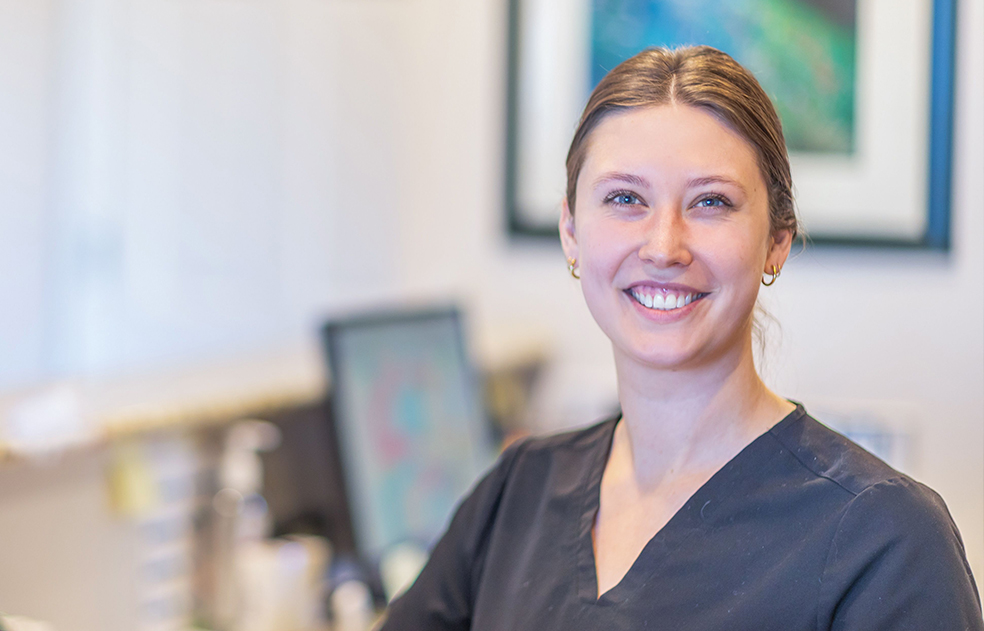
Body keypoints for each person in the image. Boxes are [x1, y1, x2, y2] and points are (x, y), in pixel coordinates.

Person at [380, 46, 983, 630]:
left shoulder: (885, 541)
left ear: (776, 238)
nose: (664, 247)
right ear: (570, 230)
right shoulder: (519, 492)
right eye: (624, 198)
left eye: (711, 202)